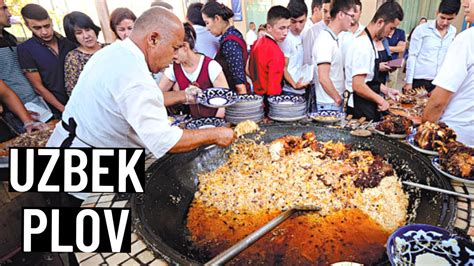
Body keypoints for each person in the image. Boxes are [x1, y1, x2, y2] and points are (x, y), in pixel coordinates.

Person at [47, 7, 236, 200]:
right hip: (82, 168)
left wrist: (184, 96)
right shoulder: (131, 73)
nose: (174, 58)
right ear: (153, 39)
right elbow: (165, 140)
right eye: (173, 48)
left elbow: (147, 98)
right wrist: (217, 134)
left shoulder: (116, 53)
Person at [422, 0, 474, 147]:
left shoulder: (467, 39)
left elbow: (438, 102)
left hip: (453, 136)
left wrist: (423, 130)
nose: (464, 4)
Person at [344, 0, 403, 122]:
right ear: (380, 22)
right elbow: (358, 85)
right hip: (359, 107)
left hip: (366, 104)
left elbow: (369, 80)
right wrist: (380, 100)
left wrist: (386, 90)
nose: (390, 34)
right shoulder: (362, 45)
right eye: (391, 28)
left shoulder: (370, 42)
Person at [17, 4, 76, 117]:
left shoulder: (68, 43)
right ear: (27, 26)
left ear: (51, 21)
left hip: (83, 102)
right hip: (58, 110)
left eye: (46, 26)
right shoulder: (25, 49)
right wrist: (63, 110)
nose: (44, 31)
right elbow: (38, 87)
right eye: (37, 28)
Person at [0, 0, 52, 129]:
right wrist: (22, 115)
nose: (9, 13)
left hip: (37, 103)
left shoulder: (10, 37)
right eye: (4, 8)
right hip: (15, 113)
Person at [159, 22, 228, 118]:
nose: (171, 56)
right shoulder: (174, 68)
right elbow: (158, 95)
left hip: (216, 122)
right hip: (194, 123)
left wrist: (213, 124)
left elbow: (225, 101)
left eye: (174, 51)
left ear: (185, 47)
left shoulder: (211, 66)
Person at [404, 0, 461, 93]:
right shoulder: (421, 30)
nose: (445, 22)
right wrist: (409, 82)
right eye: (442, 17)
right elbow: (412, 56)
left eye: (450, 19)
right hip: (420, 81)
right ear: (437, 13)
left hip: (440, 82)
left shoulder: (453, 32)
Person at [313, 0, 355, 112]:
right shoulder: (325, 40)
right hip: (328, 103)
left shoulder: (331, 38)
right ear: (341, 14)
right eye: (351, 16)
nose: (352, 20)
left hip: (331, 102)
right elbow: (323, 77)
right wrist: (337, 98)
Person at [202, 1, 248, 94]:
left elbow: (239, 82)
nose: (207, 28)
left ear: (217, 18)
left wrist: (244, 106)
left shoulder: (230, 42)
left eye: (207, 23)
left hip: (236, 98)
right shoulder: (233, 34)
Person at [248, 6, 290, 96]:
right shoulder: (276, 52)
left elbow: (247, 69)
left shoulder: (257, 42)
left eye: (288, 28)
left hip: (256, 95)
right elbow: (274, 89)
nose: (286, 32)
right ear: (269, 27)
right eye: (282, 28)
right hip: (269, 101)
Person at [63, 11, 105, 96]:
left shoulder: (109, 49)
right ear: (73, 36)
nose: (86, 36)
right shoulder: (73, 58)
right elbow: (73, 92)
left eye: (88, 29)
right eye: (79, 33)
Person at [280, 0, 310, 96]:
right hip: (290, 90)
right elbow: (283, 67)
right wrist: (294, 85)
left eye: (301, 21)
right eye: (293, 22)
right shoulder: (286, 38)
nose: (297, 26)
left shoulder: (301, 35)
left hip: (300, 88)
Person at [338, 0, 364, 64]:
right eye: (351, 11)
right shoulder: (341, 31)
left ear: (360, 13)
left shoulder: (364, 32)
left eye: (356, 11)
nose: (353, 15)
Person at [302, 0, 326, 65]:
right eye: (325, 11)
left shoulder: (325, 27)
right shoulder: (304, 28)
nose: (327, 15)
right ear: (315, 10)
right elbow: (307, 58)